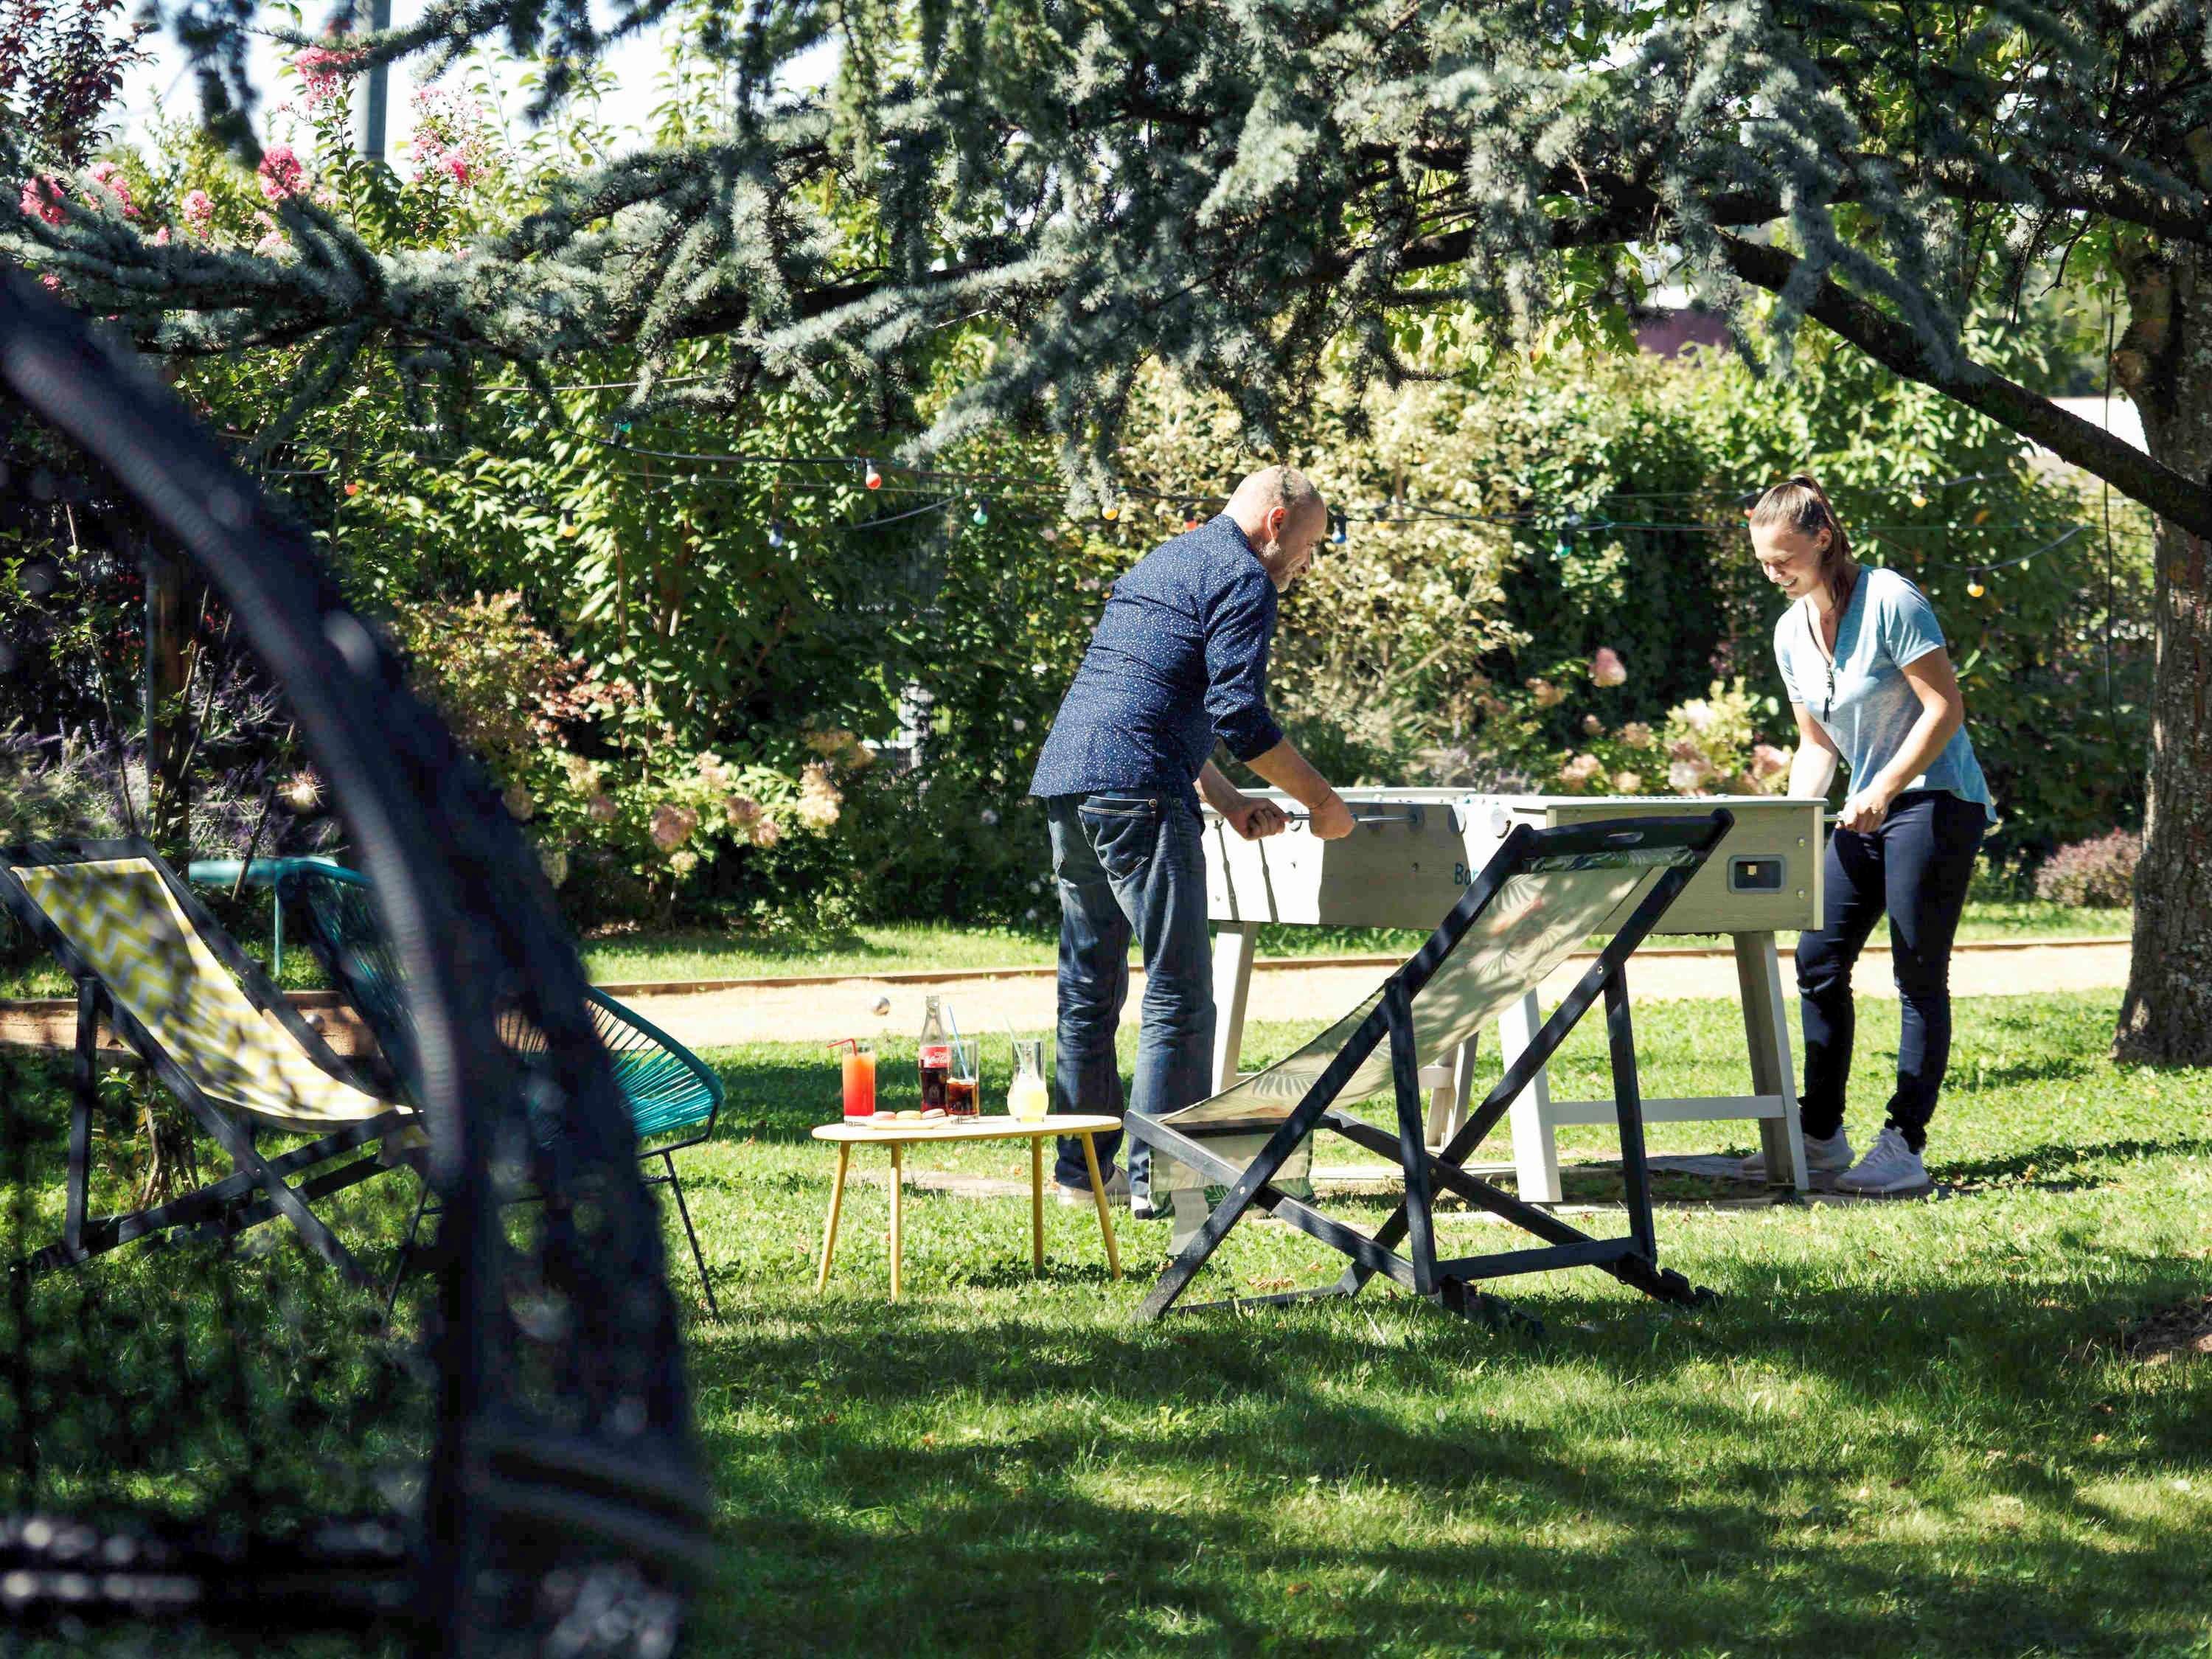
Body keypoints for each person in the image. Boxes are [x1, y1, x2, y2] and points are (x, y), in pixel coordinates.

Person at [1028, 466, 1354, 1218]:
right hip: (1137, 788)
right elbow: (1240, 717)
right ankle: (1162, 1181)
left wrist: (1229, 798)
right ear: (1276, 521)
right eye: (1307, 548)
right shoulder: (1245, 579)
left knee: (1089, 986)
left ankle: (1084, 1177)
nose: (1304, 567)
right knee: (1180, 986)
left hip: (1071, 781)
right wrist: (1324, 802)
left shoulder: (1168, 558)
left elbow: (1153, 695)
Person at [1741, 474, 1994, 1197]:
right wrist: (1787, 824)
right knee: (1818, 960)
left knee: (1917, 973)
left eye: (1783, 557)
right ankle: (1819, 1137)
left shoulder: (1891, 599)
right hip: (1867, 809)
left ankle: (1903, 1146)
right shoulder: (1792, 631)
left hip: (1936, 802)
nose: (1774, 572)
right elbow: (1817, 744)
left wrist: (1883, 788)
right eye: (1763, 561)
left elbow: (1944, 707)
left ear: (1823, 538)